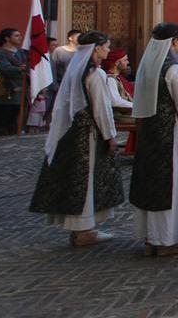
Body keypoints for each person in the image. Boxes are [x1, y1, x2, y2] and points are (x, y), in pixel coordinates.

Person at [29, 31, 123, 246]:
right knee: (86, 179)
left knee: (75, 179)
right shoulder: (95, 74)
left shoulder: (76, 70)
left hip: (71, 133)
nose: (108, 50)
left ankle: (80, 228)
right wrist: (110, 136)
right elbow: (101, 109)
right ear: (97, 48)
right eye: (106, 46)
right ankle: (84, 230)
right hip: (87, 134)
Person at [130, 22, 178, 256]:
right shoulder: (176, 69)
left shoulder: (147, 66)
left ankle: (152, 237)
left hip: (150, 133)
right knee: (173, 185)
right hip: (173, 135)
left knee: (152, 184)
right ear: (174, 41)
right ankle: (166, 240)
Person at [0, 28, 27, 135]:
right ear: (7, 38)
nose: (19, 37)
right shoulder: (0, 54)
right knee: (4, 121)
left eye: (19, 35)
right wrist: (21, 69)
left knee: (16, 123)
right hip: (8, 91)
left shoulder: (21, 53)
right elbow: (4, 69)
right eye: (16, 35)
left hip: (22, 91)